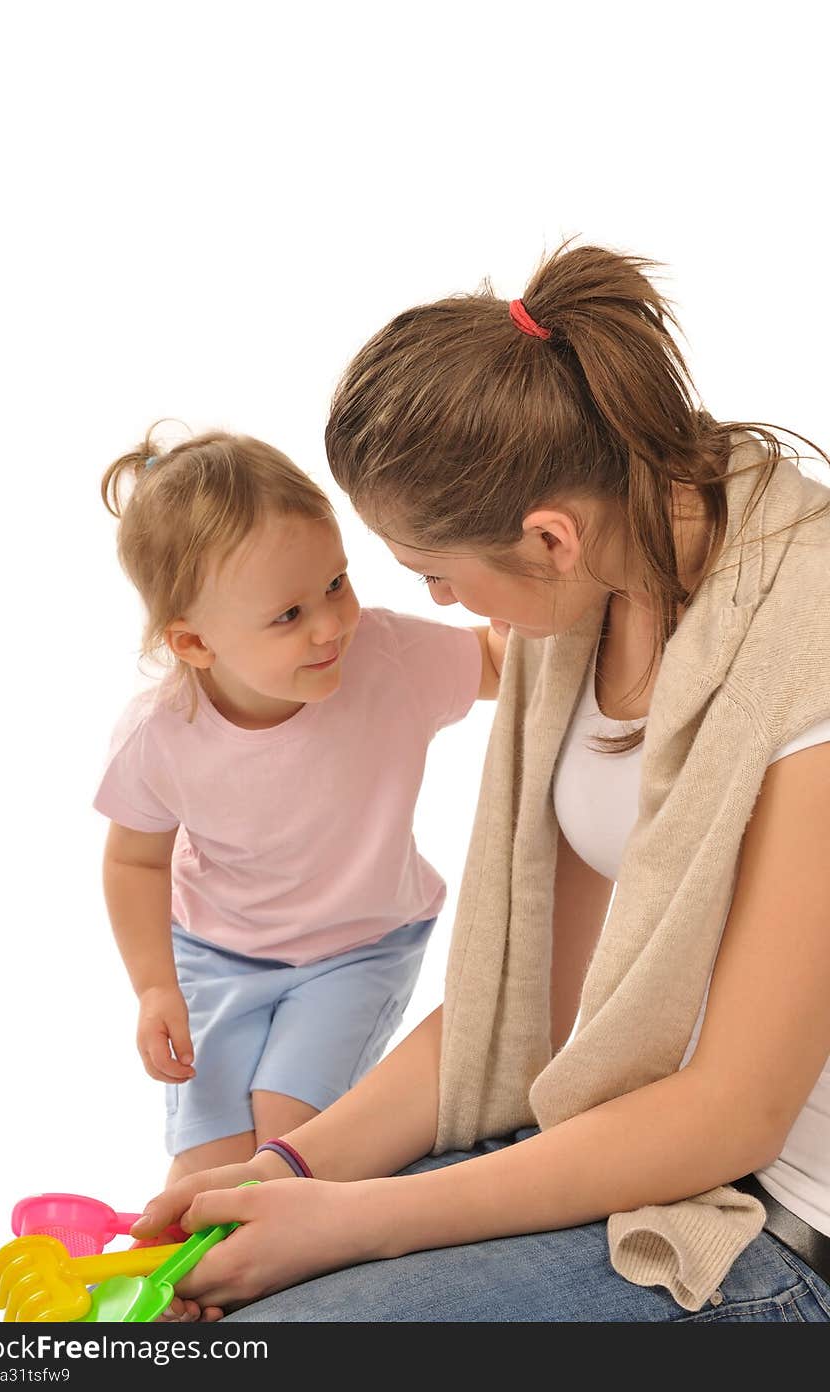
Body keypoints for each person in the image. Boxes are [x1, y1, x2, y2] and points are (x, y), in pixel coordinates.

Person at [131, 247, 830, 1323]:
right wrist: (288, 1173)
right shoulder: (594, 594)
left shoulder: (808, 639)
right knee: (186, 1311)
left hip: (770, 1231)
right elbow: (523, 1011)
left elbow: (732, 1115)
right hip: (614, 1141)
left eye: (434, 573)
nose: (445, 605)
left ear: (548, 537)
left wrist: (353, 1222)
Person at [94, 429, 505, 1184]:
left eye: (337, 584)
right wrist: (155, 984)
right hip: (217, 956)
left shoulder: (384, 658)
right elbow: (134, 858)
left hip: (359, 946)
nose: (330, 625)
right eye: (288, 615)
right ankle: (190, 1296)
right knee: (204, 1172)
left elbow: (493, 658)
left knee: (289, 1150)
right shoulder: (161, 735)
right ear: (194, 644)